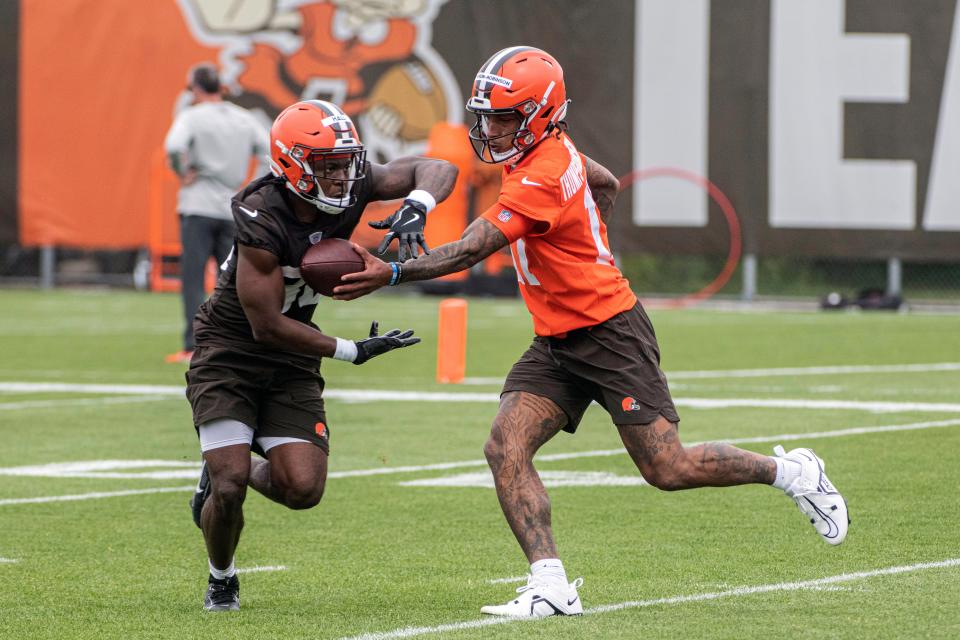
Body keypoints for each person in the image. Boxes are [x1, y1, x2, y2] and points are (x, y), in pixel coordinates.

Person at [334, 46, 849, 618]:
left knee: (667, 469)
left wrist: (394, 271)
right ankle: (551, 585)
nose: (490, 127)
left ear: (539, 113)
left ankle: (794, 471)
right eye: (488, 114)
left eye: (503, 115)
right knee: (505, 446)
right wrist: (591, 227)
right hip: (556, 339)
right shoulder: (549, 148)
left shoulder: (543, 171)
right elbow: (604, 180)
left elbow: (474, 248)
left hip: (609, 332)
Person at [185, 98, 458, 611]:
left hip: (291, 359)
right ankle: (222, 576)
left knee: (303, 490)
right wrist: (352, 350)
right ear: (292, 164)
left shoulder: (353, 183)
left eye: (346, 162)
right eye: (328, 166)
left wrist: (418, 203)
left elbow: (438, 167)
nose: (342, 176)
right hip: (231, 350)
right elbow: (265, 326)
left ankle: (231, 461)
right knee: (230, 486)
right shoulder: (259, 213)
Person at [163, 62, 270, 363]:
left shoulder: (192, 117)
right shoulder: (242, 118)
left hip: (197, 204)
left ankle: (193, 345)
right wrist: (251, 187)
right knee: (235, 279)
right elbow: (268, 153)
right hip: (232, 207)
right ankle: (236, 341)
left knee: (194, 278)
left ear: (195, 88)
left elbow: (173, 146)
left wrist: (181, 171)